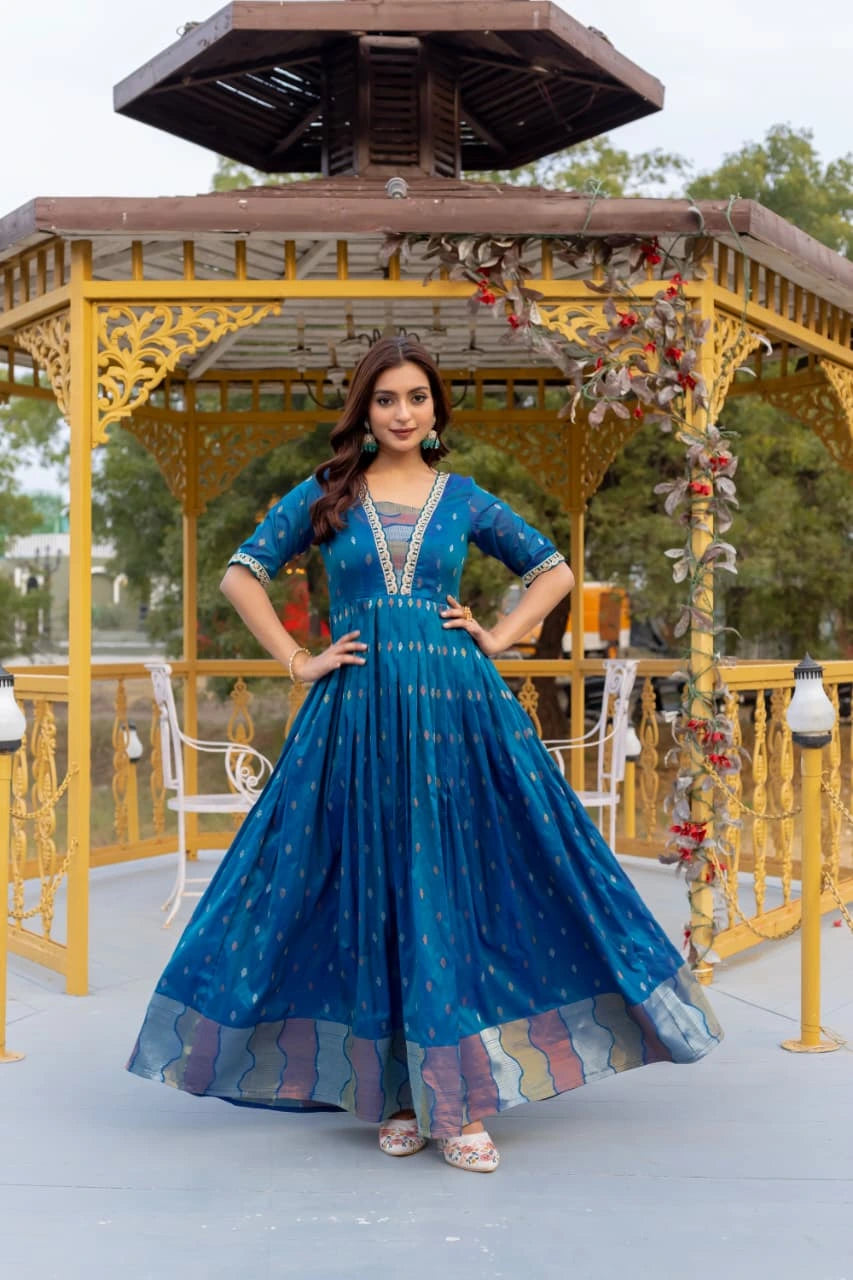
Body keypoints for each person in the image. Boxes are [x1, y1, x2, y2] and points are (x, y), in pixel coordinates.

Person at [127, 337, 722, 1173]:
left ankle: (462, 1100)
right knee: (371, 884)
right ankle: (396, 1093)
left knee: (455, 881)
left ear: (435, 409)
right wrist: (300, 661)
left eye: (415, 398)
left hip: (458, 715)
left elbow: (549, 570)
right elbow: (239, 574)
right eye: (385, 400)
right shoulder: (327, 493)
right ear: (364, 413)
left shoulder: (464, 498)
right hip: (356, 718)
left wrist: (500, 635)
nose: (402, 413)